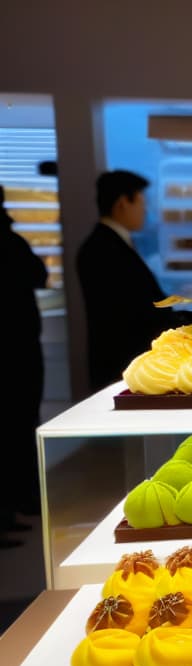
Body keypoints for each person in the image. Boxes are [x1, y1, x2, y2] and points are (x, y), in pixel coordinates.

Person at [76, 170, 192, 393]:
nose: (145, 211)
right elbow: (133, 310)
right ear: (123, 202)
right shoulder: (103, 249)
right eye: (142, 203)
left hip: (123, 361)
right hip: (121, 362)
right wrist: (184, 318)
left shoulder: (108, 243)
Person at [0, 185, 48, 547]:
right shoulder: (10, 241)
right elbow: (38, 274)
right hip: (17, 350)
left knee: (17, 427)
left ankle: (13, 506)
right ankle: (13, 506)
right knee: (18, 426)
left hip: (17, 348)